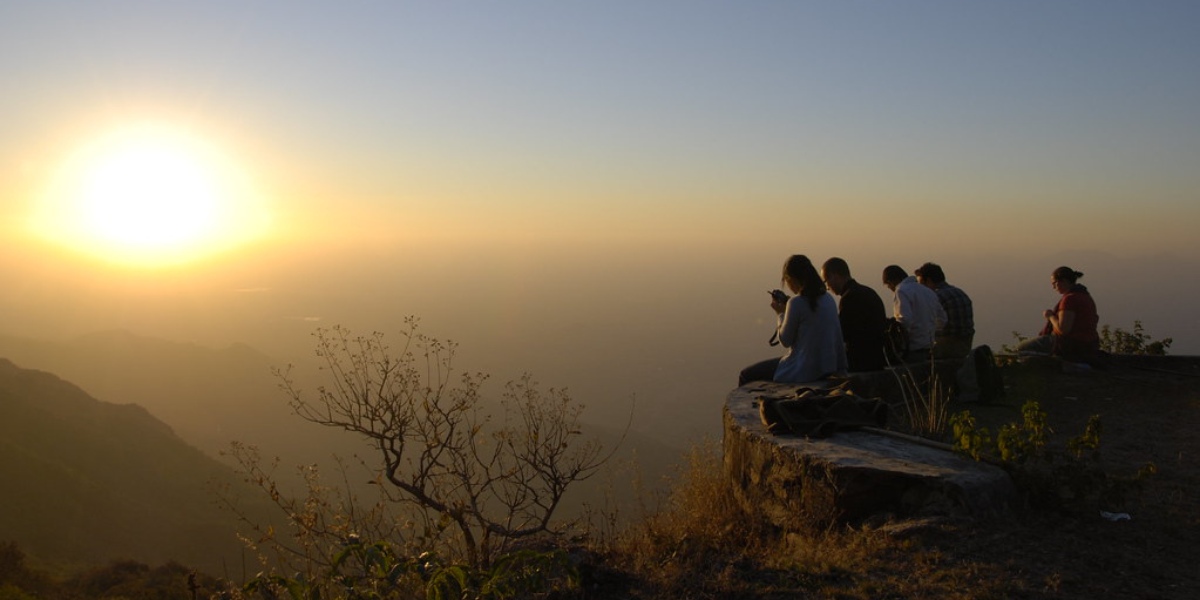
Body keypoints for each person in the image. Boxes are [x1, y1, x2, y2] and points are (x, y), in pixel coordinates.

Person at [740, 255, 848, 385]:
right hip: (827, 367)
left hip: (804, 370)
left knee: (746, 375)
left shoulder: (796, 303)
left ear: (792, 280)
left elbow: (785, 340)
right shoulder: (828, 299)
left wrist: (780, 313)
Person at [1017, 266, 1101, 364]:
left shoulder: (1069, 299)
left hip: (1070, 344)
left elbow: (1063, 329)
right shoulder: (1085, 296)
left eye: (1054, 284)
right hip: (1089, 344)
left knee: (1021, 349)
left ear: (1064, 281)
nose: (1054, 287)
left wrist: (1050, 316)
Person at [820, 257, 887, 371]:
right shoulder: (869, 292)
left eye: (826, 281)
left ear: (834, 276)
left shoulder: (848, 298)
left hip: (860, 362)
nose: (827, 287)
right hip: (878, 359)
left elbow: (842, 334)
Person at [882, 265, 946, 363]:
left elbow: (905, 321)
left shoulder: (901, 291)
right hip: (927, 348)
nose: (890, 289)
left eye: (888, 285)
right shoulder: (928, 291)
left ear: (891, 281)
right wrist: (929, 332)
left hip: (911, 350)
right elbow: (943, 319)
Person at [915, 262, 975, 359]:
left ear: (929, 280)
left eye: (921, 284)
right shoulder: (960, 292)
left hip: (945, 347)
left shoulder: (935, 297)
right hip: (965, 346)